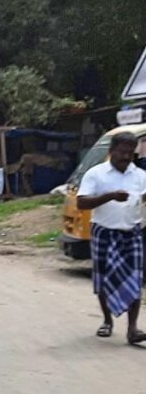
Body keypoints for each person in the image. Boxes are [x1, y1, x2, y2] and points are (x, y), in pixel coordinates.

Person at [76, 131, 146, 345]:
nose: (126, 157)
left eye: (130, 153)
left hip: (132, 232)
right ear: (111, 151)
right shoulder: (96, 174)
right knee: (104, 279)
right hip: (104, 231)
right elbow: (82, 203)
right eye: (122, 152)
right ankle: (107, 321)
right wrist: (110, 196)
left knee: (134, 280)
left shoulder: (140, 175)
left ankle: (132, 328)